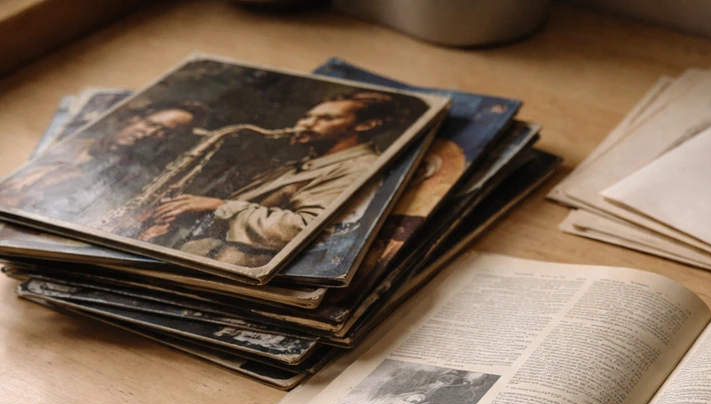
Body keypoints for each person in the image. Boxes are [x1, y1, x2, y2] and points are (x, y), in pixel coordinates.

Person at [139, 91, 423, 267]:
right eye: (307, 116)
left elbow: (307, 230)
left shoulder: (361, 167)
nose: (303, 124)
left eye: (324, 119)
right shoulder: (302, 164)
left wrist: (216, 206)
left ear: (365, 125)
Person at [0, 105, 202, 214]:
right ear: (134, 119)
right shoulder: (70, 143)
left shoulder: (125, 178)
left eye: (164, 132)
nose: (149, 133)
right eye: (151, 123)